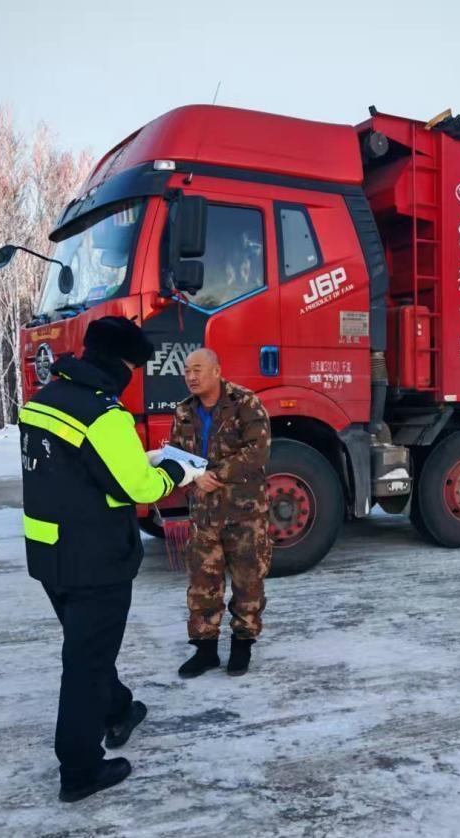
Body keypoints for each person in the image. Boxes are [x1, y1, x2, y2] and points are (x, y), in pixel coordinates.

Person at [20, 315, 199, 802]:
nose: (133, 378)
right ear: (122, 363)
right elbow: (139, 487)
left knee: (87, 646)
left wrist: (133, 461)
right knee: (86, 661)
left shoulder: (44, 400)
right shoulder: (104, 413)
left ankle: (118, 710)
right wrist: (175, 472)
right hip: (95, 560)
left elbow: (76, 467)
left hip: (50, 553)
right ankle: (79, 770)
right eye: (134, 369)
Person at [169, 348, 272, 677]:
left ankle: (242, 645)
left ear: (217, 371)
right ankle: (205, 651)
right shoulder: (184, 411)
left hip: (244, 512)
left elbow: (258, 451)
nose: (191, 376)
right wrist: (193, 477)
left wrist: (216, 474)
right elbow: (175, 455)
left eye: (197, 369)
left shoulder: (245, 403)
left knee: (248, 581)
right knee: (202, 584)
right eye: (187, 370)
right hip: (204, 514)